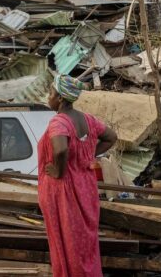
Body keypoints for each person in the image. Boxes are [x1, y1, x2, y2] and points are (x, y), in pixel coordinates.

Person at [38, 75, 118, 277]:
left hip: (64, 191)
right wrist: (88, 154)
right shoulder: (88, 120)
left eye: (51, 93)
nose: (49, 97)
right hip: (86, 188)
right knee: (83, 242)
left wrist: (59, 170)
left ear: (61, 98)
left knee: (66, 242)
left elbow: (60, 149)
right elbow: (111, 137)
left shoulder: (59, 121)